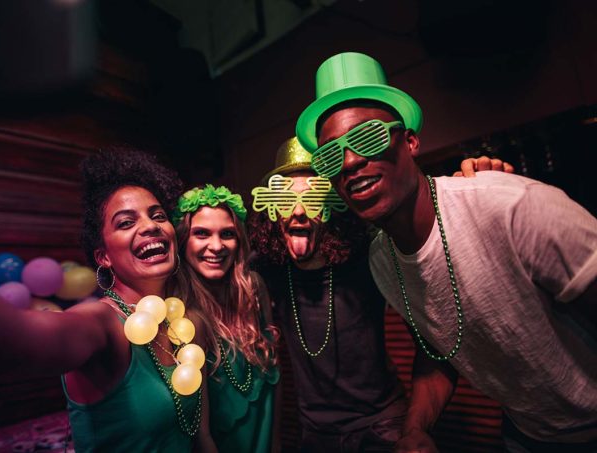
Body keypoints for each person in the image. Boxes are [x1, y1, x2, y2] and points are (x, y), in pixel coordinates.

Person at [295, 52, 597, 452]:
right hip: (528, 436)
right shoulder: (381, 261)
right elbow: (439, 349)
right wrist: (416, 429)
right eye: (331, 156)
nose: (350, 162)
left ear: (411, 141)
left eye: (368, 137)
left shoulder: (509, 207)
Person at [0, 147, 216, 452]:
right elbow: (22, 337)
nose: (151, 226)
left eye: (158, 216)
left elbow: (201, 437)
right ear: (103, 256)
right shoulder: (101, 324)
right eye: (126, 222)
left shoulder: (183, 324)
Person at [249, 138, 407, 452]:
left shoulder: (368, 258)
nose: (297, 213)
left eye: (313, 200)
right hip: (316, 432)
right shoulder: (269, 270)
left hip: (382, 424)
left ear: (333, 207)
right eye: (284, 201)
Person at [173, 184, 280, 453]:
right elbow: (200, 434)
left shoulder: (254, 290)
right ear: (184, 239)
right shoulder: (184, 317)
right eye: (202, 233)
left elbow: (276, 383)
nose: (217, 246)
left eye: (228, 234)